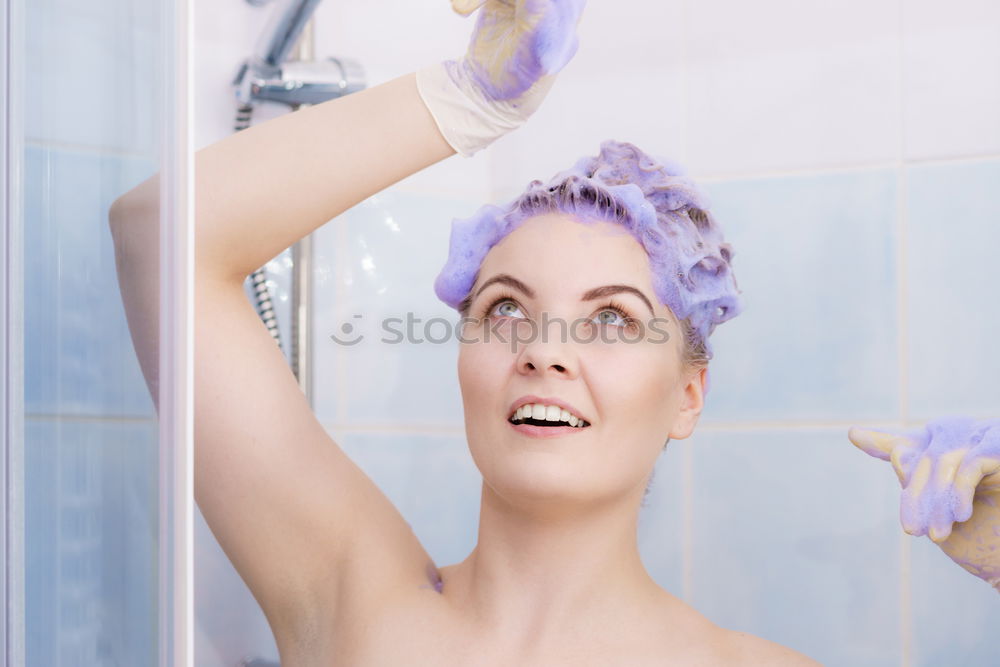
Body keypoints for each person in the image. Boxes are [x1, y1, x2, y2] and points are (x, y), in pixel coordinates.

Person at [108, 1, 998, 665]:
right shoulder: (350, 602)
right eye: (506, 309)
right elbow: (161, 235)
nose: (545, 349)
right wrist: (464, 103)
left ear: (688, 394)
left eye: (611, 318)